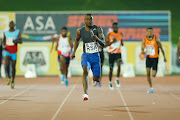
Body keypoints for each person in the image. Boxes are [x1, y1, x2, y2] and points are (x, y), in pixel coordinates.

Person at [71, 14, 105, 100]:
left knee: (97, 78)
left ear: (93, 20)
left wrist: (96, 38)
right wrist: (73, 52)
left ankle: (95, 79)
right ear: (84, 20)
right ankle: (85, 93)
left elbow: (104, 44)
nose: (89, 21)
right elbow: (77, 40)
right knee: (85, 70)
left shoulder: (98, 29)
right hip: (86, 55)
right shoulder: (80, 31)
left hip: (95, 56)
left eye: (91, 19)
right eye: (87, 19)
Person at [141, 27, 166, 93]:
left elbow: (161, 48)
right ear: (146, 32)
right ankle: (151, 87)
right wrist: (144, 52)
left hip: (155, 58)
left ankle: (155, 70)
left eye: (151, 31)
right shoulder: (144, 40)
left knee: (153, 75)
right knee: (148, 73)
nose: (149, 33)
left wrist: (164, 57)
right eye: (148, 31)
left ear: (152, 32)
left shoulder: (156, 39)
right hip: (148, 58)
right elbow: (142, 50)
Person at [3, 21, 22, 89]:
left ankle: (13, 81)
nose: (11, 26)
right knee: (7, 65)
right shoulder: (5, 33)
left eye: (12, 24)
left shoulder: (17, 32)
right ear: (8, 25)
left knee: (13, 67)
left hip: (14, 52)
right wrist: (3, 46)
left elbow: (21, 41)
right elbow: (3, 42)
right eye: (10, 24)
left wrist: (16, 41)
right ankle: (8, 76)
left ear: (14, 25)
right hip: (7, 51)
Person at [105, 22, 123, 90]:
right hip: (111, 53)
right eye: (114, 27)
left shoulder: (120, 34)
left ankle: (117, 79)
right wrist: (112, 42)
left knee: (119, 65)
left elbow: (121, 42)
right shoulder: (109, 34)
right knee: (111, 69)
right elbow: (106, 44)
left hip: (118, 52)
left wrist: (121, 43)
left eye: (116, 27)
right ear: (112, 28)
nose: (115, 28)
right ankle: (110, 82)